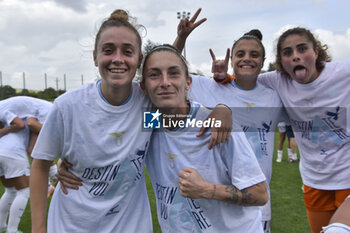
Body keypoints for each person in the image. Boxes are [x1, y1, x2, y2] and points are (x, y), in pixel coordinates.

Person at [30, 9, 229, 233]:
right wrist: (38, 229)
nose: (117, 59)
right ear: (95, 57)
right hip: (71, 226)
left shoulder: (146, 107)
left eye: (127, 51)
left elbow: (175, 95)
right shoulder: (68, 107)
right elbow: (39, 166)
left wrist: (222, 110)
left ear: (138, 60)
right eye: (108, 50)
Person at [218, 26, 350, 233]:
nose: (295, 57)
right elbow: (245, 81)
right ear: (281, 61)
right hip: (314, 180)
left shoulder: (343, 73)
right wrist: (223, 79)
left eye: (302, 49)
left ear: (316, 51)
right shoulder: (277, 81)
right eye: (287, 53)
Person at [174, 22, 286, 231]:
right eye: (240, 53)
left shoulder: (273, 97)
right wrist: (181, 38)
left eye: (254, 54)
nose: (247, 58)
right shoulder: (212, 87)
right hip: (219, 199)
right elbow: (170, 73)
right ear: (232, 59)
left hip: (258, 200)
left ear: (263, 62)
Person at [0, 96, 52, 233]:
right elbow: (34, 148)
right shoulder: (22, 116)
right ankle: (12, 230)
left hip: (2, 152)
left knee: (10, 191)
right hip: (12, 153)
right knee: (24, 191)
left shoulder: (12, 115)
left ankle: (1, 226)